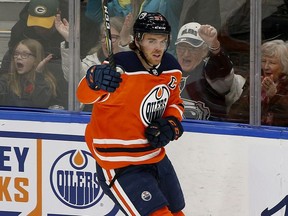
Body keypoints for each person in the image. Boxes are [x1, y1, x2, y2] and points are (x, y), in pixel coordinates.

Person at [77, 11, 185, 215]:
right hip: (120, 163)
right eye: (151, 40)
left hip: (156, 158)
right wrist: (95, 79)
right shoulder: (121, 67)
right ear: (138, 40)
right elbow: (84, 95)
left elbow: (175, 103)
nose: (158, 47)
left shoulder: (172, 68)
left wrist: (171, 123)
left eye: (163, 41)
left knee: (177, 213)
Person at [176, 22, 246, 121]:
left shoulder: (208, 72)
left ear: (204, 51)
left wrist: (215, 46)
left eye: (192, 48)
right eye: (182, 48)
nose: (186, 54)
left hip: (208, 134)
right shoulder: (168, 72)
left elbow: (222, 72)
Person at [84, 0, 184, 55]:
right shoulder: (120, 5)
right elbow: (94, 13)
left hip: (164, 60)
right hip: (129, 59)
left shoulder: (164, 3)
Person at [55, 13, 133, 81]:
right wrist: (70, 42)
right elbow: (74, 78)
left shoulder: (138, 59)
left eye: (112, 37)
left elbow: (130, 67)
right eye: (103, 37)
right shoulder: (92, 61)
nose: (107, 41)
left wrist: (125, 44)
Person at [228, 39, 288, 126]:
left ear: (284, 65)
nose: (266, 67)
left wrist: (274, 96)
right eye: (263, 61)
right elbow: (233, 116)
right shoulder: (254, 80)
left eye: (272, 62)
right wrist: (253, 94)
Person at [0, 39, 57, 108]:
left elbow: (40, 104)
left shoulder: (45, 82)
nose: (18, 57)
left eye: (24, 54)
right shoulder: (7, 80)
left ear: (35, 60)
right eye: (16, 54)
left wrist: (38, 74)